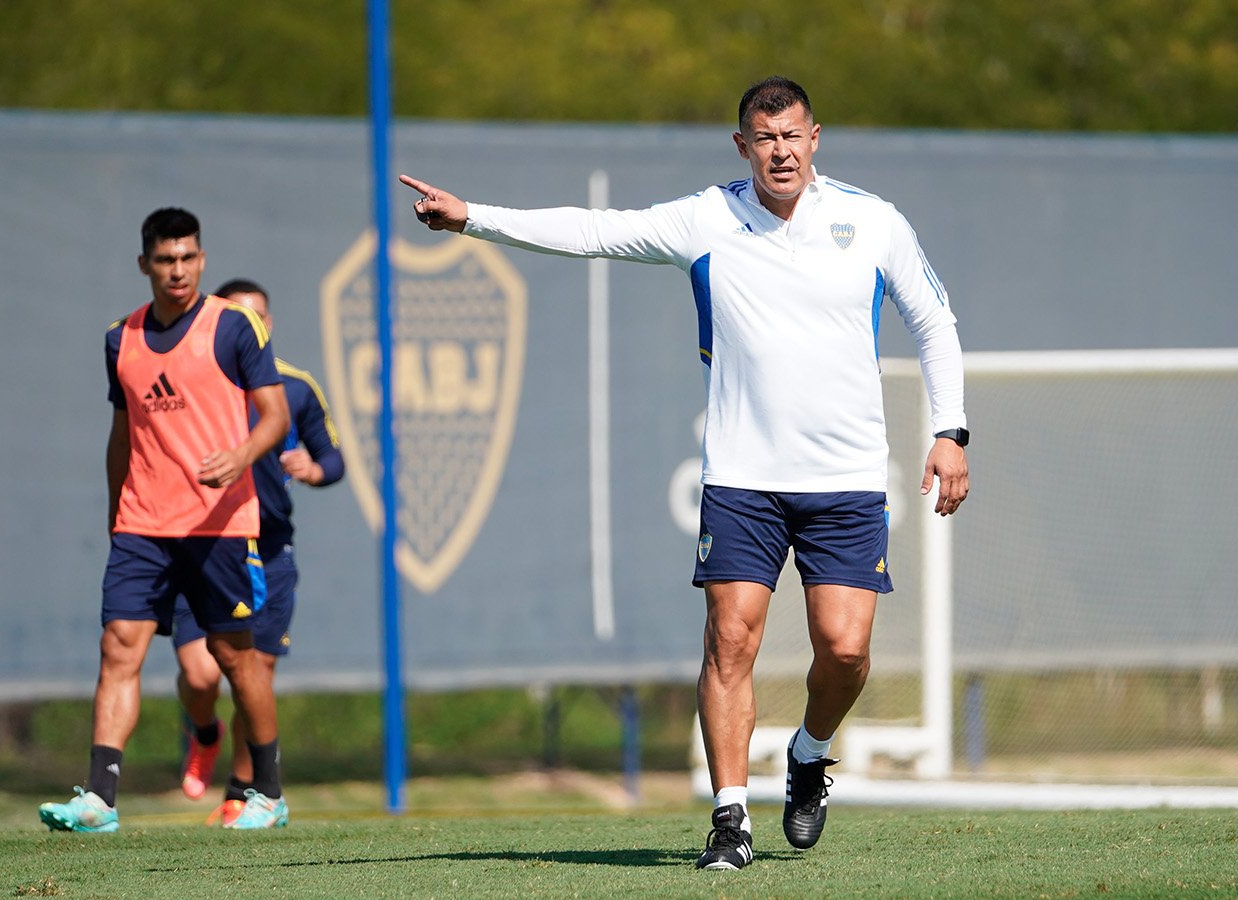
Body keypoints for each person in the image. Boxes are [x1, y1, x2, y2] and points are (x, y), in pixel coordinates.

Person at [402, 75, 970, 870]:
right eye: (764, 138)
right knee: (729, 641)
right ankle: (730, 819)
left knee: (843, 652)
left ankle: (808, 756)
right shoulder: (705, 218)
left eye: (793, 135)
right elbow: (594, 231)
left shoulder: (873, 222)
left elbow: (934, 321)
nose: (781, 150)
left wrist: (951, 431)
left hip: (844, 481)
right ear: (743, 147)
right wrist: (474, 219)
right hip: (743, 476)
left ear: (816, 140)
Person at [39, 208, 293, 832]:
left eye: (187, 258)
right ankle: (100, 799)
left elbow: (275, 416)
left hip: (220, 524)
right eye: (165, 260)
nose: (177, 270)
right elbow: (122, 433)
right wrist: (114, 509)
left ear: (201, 260)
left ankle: (269, 793)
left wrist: (240, 455)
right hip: (143, 523)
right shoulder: (118, 339)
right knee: (117, 647)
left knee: (237, 661)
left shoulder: (234, 327)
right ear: (144, 265)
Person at [172, 278, 344, 826]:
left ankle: (243, 792)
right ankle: (204, 731)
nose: (254, 327)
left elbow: (333, 459)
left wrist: (314, 470)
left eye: (260, 317)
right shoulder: (194, 381)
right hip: (199, 546)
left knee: (255, 677)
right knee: (201, 678)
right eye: (241, 317)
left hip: (267, 553)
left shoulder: (293, 389)